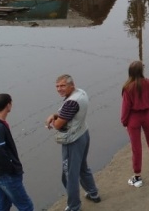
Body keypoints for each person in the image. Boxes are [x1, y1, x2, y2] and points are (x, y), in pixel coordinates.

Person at [45, 75, 101, 210]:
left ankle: (74, 206)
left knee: (69, 175)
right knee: (82, 167)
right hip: (83, 134)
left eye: (62, 86)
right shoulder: (81, 93)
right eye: (57, 86)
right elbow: (66, 114)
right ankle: (93, 193)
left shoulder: (71, 102)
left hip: (73, 141)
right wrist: (55, 115)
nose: (59, 89)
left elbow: (58, 125)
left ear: (71, 85)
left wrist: (52, 120)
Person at [0, 93, 34, 211]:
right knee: (26, 206)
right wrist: (12, 168)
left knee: (4, 205)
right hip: (7, 175)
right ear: (8, 105)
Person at [121, 61, 149, 188]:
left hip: (133, 118)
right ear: (141, 71)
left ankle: (137, 176)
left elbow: (125, 108)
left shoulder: (128, 87)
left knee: (136, 147)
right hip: (147, 115)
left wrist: (124, 121)